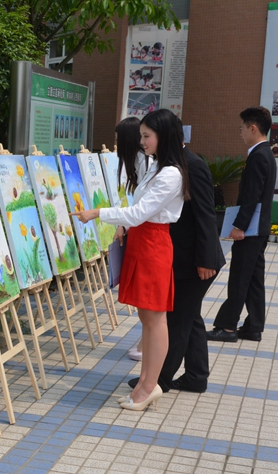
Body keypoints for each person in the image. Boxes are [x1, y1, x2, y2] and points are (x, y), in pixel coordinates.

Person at [72, 109, 188, 411]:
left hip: (153, 245)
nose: (142, 142)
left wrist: (97, 213)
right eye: (141, 136)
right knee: (147, 318)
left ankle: (150, 386)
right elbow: (138, 211)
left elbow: (139, 213)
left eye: (147, 136)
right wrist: (122, 224)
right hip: (143, 242)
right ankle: (144, 383)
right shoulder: (156, 166)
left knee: (155, 318)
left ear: (163, 136)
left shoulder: (171, 173)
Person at [129, 128, 226, 393]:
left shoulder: (191, 165)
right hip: (179, 257)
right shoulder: (167, 164)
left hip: (195, 261)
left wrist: (206, 259)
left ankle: (158, 381)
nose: (143, 142)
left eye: (147, 136)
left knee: (178, 320)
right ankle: (196, 376)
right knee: (190, 317)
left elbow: (206, 214)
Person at [207, 106, 277, 343]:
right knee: (254, 278)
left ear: (253, 128)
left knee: (239, 277)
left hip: (251, 230)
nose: (241, 133)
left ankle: (227, 327)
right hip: (259, 228)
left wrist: (240, 227)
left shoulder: (258, 156)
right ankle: (254, 326)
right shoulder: (266, 153)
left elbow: (251, 197)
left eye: (242, 128)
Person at [114, 116, 150, 361]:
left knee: (146, 297)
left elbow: (141, 208)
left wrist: (119, 221)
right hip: (139, 231)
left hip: (147, 236)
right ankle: (145, 342)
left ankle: (147, 344)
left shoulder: (144, 162)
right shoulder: (138, 161)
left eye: (118, 138)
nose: (116, 144)